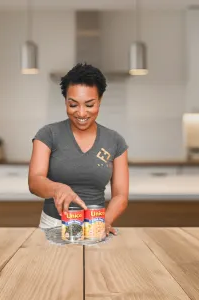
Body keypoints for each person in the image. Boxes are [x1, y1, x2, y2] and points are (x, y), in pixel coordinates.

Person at [28, 63, 129, 236]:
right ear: (65, 101)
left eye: (89, 105)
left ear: (100, 100)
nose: (81, 113)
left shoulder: (115, 141)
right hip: (54, 226)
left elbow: (120, 195)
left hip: (96, 226)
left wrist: (106, 220)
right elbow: (35, 181)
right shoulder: (48, 134)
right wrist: (58, 189)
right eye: (73, 105)